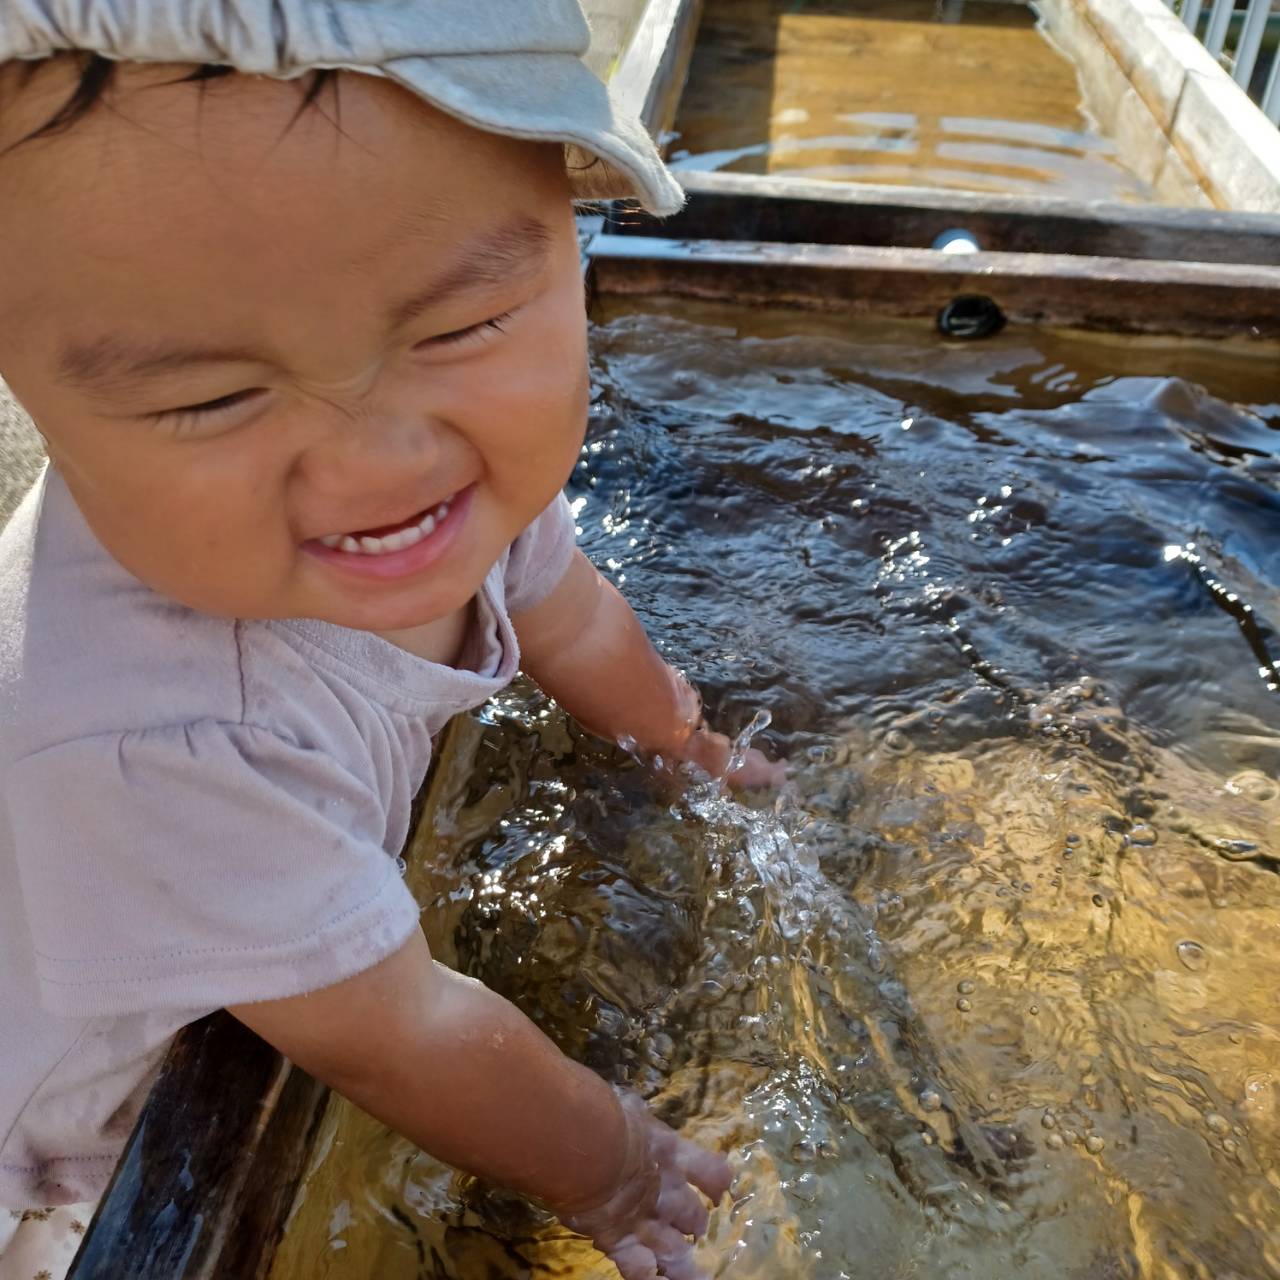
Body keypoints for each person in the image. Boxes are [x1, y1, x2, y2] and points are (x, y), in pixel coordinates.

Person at [0, 3, 781, 1278]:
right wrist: (619, 1164)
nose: (384, 460)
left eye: (462, 328)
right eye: (211, 396)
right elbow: (402, 1030)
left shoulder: (462, 490)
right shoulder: (155, 734)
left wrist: (679, 740)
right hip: (65, 1155)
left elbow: (565, 601)